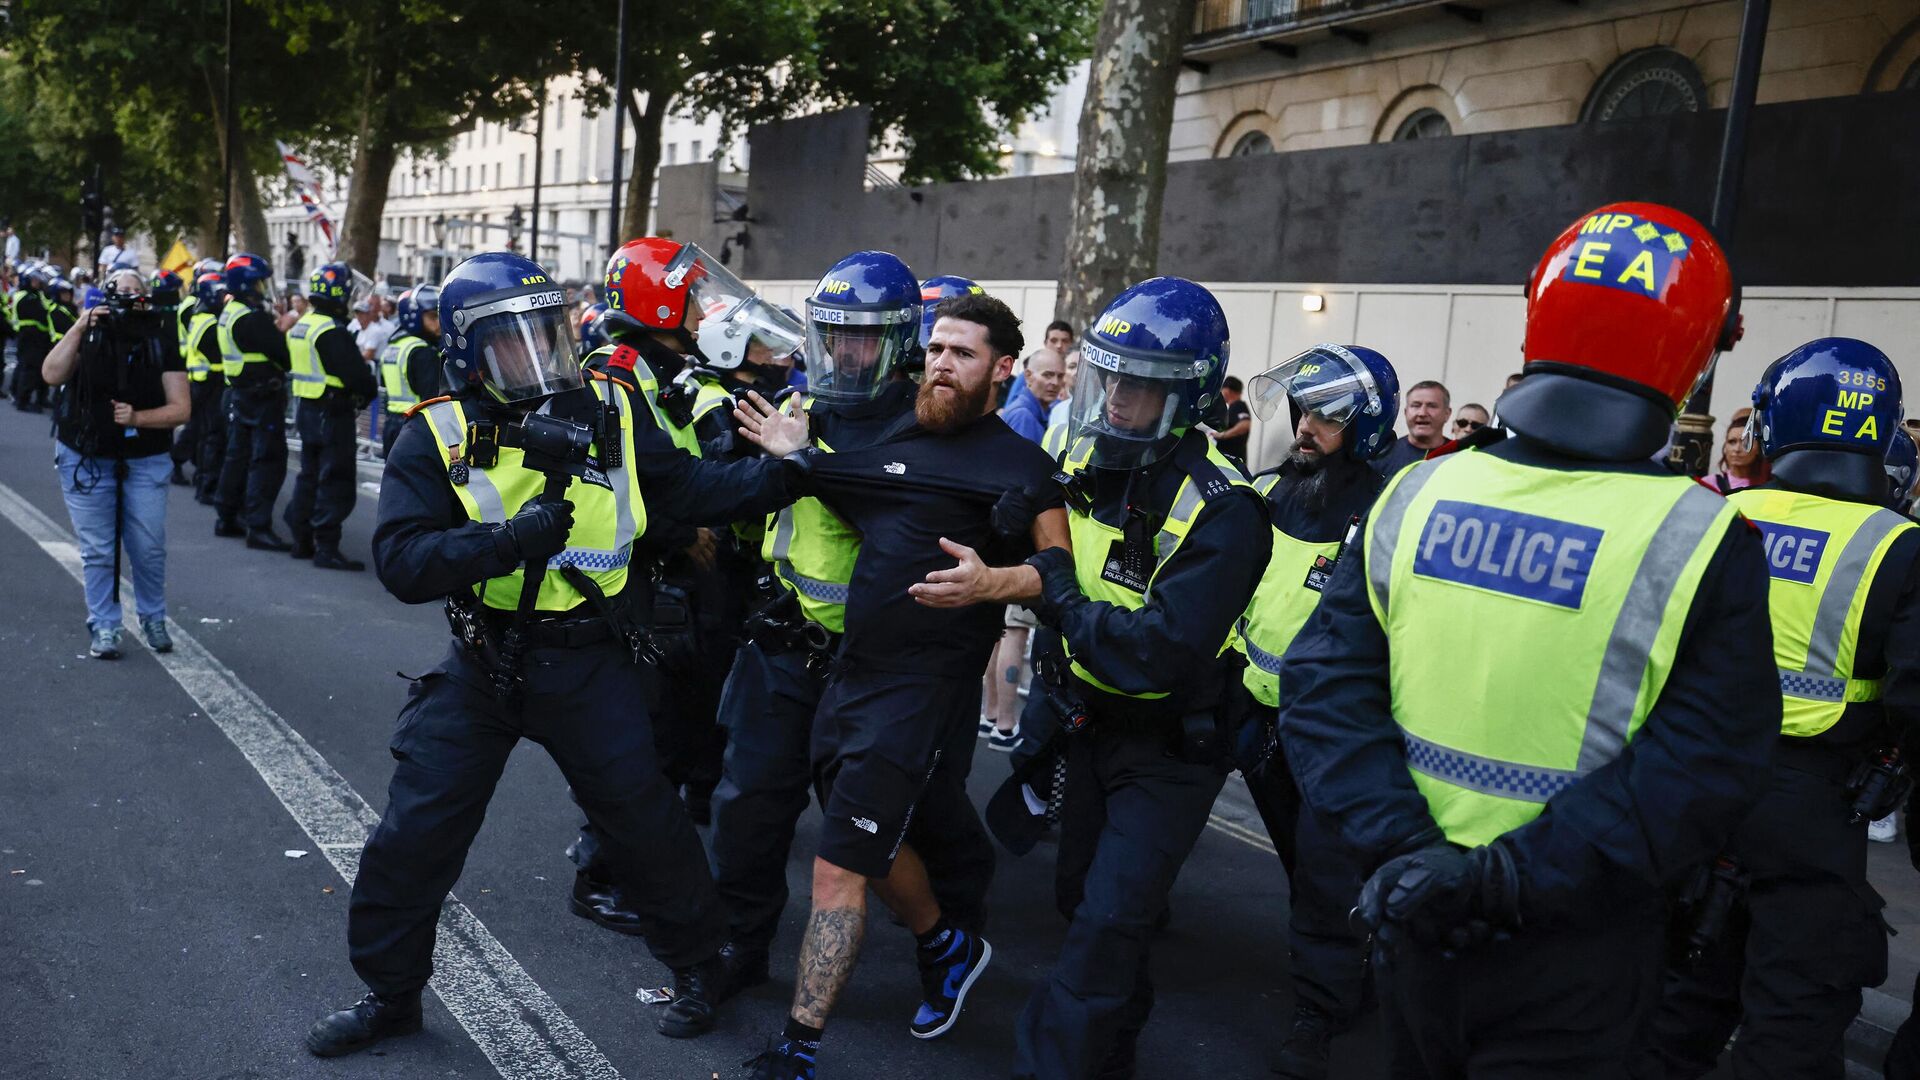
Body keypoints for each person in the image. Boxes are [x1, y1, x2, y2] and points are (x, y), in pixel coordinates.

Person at [1277, 202, 1779, 1077]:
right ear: (1700, 352)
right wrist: (1508, 880)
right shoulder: (1701, 535)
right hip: (1579, 940)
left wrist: (1408, 856)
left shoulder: (1415, 495)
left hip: (1409, 905)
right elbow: (1703, 764)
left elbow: (1322, 693)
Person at [305, 250, 815, 1059]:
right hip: (483, 663)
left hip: (589, 658)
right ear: (470, 353)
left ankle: (697, 968)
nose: (542, 361)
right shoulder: (436, 430)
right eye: (515, 343)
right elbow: (402, 563)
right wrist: (505, 542)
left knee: (645, 824)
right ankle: (390, 995)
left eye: (550, 335)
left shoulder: (611, 404)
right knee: (415, 832)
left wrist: (787, 472)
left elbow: (685, 489)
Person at [729, 270, 1068, 1080]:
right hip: (849, 678)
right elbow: (853, 489)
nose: (940, 365)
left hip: (921, 694)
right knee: (873, 843)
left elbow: (1063, 574)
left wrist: (995, 582)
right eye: (936, 350)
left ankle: (799, 1048)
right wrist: (795, 454)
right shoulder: (904, 444)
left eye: (962, 353)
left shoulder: (1024, 469)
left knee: (839, 862)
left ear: (1003, 369)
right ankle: (947, 944)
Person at [998, 277, 1266, 1080]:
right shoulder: (1084, 451)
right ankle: (1109, 1057)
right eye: (1108, 378)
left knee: (1109, 922)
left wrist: (1057, 593)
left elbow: (1155, 651)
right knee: (1085, 904)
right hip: (1086, 723)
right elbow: (1043, 532)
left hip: (1169, 748)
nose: (1116, 398)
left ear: (1184, 396)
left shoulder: (1229, 508)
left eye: (1139, 385)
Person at [707, 256, 985, 1017]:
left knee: (910, 822)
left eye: (860, 340)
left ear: (898, 345)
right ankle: (736, 952)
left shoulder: (925, 426)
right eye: (831, 337)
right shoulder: (801, 403)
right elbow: (738, 497)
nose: (844, 355)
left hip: (880, 670)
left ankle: (951, 944)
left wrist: (805, 459)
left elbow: (906, 514)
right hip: (785, 647)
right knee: (748, 809)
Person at [1636, 337, 1920, 1079]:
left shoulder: (1706, 514)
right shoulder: (1902, 546)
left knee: (1675, 1003)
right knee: (1792, 1018)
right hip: (1815, 809)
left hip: (1691, 783)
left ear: (1767, 424)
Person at [566, 236, 809, 927]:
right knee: (640, 740)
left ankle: (635, 860)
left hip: (664, 577)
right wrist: (783, 474)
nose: (707, 310)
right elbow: (661, 482)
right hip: (634, 581)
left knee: (670, 729)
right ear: (661, 301)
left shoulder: (658, 366)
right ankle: (599, 876)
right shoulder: (617, 372)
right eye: (695, 296)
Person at [1235, 343, 1400, 1079]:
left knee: (1329, 874)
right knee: (1308, 868)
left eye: (1326, 416)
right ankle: (1343, 974)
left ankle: (1320, 1010)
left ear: (1365, 424)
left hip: (1339, 728)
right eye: (1303, 412)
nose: (1305, 426)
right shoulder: (1276, 492)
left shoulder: (1394, 505)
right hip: (1260, 713)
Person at [39, 268, 189, 659]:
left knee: (148, 545)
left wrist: (138, 418)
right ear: (104, 295)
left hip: (145, 456)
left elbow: (181, 408)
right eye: (120, 289)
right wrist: (79, 327)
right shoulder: (88, 331)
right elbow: (51, 374)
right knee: (99, 550)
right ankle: (105, 626)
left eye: (136, 289)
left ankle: (153, 617)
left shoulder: (159, 334)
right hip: (85, 453)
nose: (128, 296)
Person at [283, 262, 378, 569]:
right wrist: (367, 389)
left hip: (308, 410)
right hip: (332, 412)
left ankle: (302, 539)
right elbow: (357, 377)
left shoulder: (304, 323)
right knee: (335, 479)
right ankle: (326, 546)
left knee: (309, 476)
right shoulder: (330, 330)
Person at [213, 252, 294, 549]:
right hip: (261, 397)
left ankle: (227, 516)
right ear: (247, 284)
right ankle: (258, 526)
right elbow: (283, 356)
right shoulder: (251, 317)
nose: (262, 288)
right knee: (267, 461)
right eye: (259, 283)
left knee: (238, 457)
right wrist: (282, 329)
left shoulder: (230, 311)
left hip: (241, 394)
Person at [178, 267, 228, 505]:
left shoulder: (201, 316)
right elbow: (219, 355)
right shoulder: (211, 323)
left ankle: (201, 478)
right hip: (211, 383)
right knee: (211, 435)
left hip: (200, 382)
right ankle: (206, 484)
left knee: (201, 431)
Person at [377, 284, 440, 457]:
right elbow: (432, 398)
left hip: (392, 425)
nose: (439, 324)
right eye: (433, 317)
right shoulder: (424, 352)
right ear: (414, 317)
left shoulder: (393, 347)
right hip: (416, 428)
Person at [1372, 379, 1450, 474]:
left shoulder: (1458, 456)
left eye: (1432, 406)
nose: (1422, 413)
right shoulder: (1381, 456)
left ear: (1447, 414)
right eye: (1416, 405)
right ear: (1405, 412)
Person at [11, 265, 53, 412]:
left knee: (37, 368)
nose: (37, 282)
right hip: (28, 336)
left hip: (38, 337)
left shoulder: (36, 295)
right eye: (34, 280)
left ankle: (39, 399)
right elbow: (41, 313)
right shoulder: (25, 296)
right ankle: (22, 400)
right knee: (28, 369)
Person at [1706, 405, 1771, 494]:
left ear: (1759, 448)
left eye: (1745, 443)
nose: (1737, 449)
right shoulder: (1710, 484)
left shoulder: (1771, 484)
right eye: (1732, 442)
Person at [1214, 374, 1252, 460]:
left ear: (1227, 390)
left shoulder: (1238, 405)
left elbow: (1245, 424)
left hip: (1232, 461)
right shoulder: (1232, 408)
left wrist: (1223, 435)